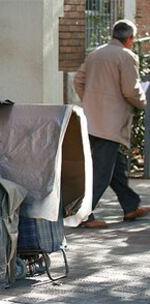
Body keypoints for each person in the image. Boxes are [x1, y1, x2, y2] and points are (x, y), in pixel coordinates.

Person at [73, 19, 149, 229]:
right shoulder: (126, 56)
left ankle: (130, 205)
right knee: (101, 173)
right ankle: (84, 215)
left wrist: (91, 100)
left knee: (116, 167)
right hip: (110, 123)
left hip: (92, 119)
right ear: (130, 39)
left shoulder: (96, 53)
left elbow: (78, 80)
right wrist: (142, 102)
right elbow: (131, 90)